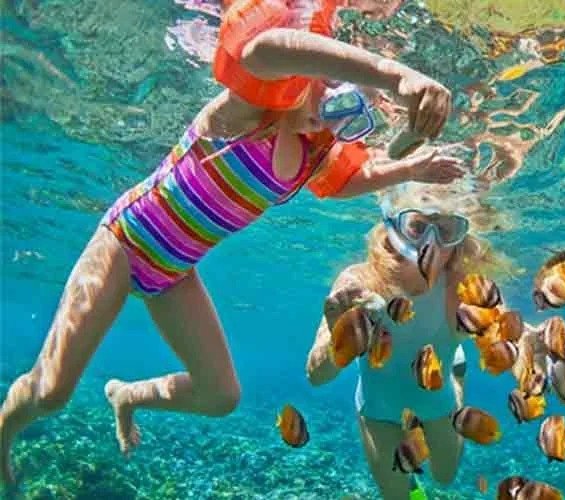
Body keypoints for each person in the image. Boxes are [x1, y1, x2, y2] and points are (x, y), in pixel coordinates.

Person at [0, 0, 466, 487]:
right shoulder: (246, 113)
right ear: (307, 72)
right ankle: (4, 431)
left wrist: (409, 168)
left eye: (348, 115)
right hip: (124, 242)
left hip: (173, 272)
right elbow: (265, 48)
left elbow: (351, 180)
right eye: (330, 91)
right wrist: (395, 76)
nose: (329, 117)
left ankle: (127, 396)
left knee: (220, 396)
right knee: (51, 391)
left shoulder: (311, 155)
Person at [306, 182, 508, 500]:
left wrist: (534, 344)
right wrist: (338, 336)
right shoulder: (359, 282)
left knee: (444, 476)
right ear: (394, 227)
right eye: (417, 227)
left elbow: (509, 333)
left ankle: (455, 375)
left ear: (460, 240)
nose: (430, 243)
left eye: (446, 230)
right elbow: (316, 376)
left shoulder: (465, 287)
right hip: (378, 405)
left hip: (437, 398)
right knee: (397, 496)